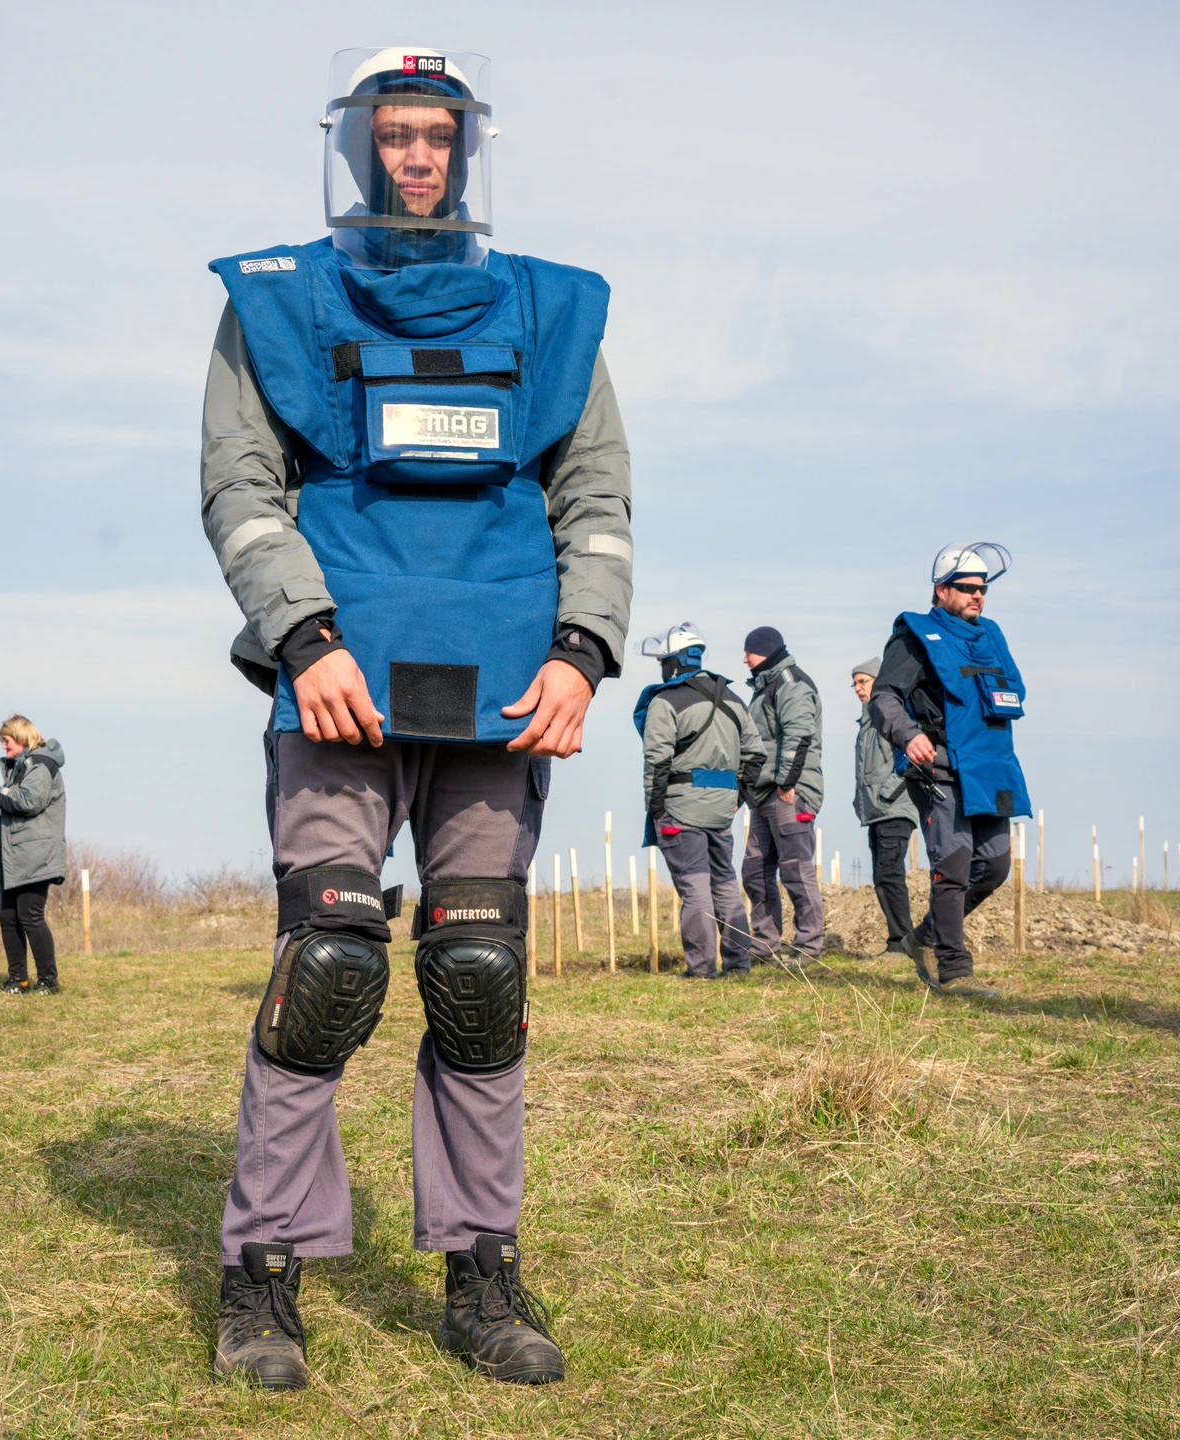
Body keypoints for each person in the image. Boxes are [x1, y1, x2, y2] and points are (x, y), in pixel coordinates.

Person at [199, 46, 631, 1391]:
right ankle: (262, 1273)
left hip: (504, 691)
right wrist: (304, 637)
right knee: (327, 968)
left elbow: (596, 499)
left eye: (439, 134)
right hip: (336, 683)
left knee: (479, 977)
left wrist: (583, 653)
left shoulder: (551, 310)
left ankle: (480, 1271)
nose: (420, 156)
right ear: (357, 147)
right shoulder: (276, 300)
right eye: (395, 133)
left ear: (468, 148)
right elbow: (239, 488)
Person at [869, 544, 1028, 999]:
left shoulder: (991, 635)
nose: (978, 596)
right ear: (942, 590)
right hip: (937, 767)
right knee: (953, 866)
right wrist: (908, 735)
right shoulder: (914, 637)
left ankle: (922, 936)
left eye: (983, 589)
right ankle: (954, 972)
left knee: (994, 867)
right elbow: (884, 697)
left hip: (991, 768)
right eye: (967, 588)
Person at [634, 623, 766, 978]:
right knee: (724, 884)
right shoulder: (733, 699)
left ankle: (701, 969)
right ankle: (738, 964)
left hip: (680, 809)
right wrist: (738, 798)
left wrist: (656, 808)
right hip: (721, 812)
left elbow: (657, 761)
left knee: (695, 888)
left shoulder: (666, 700)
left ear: (674, 660)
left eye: (663, 660)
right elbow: (756, 755)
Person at [739, 626, 825, 960]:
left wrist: (787, 783)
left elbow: (798, 735)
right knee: (755, 872)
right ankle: (765, 946)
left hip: (789, 793)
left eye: (748, 652)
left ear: (764, 650)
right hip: (764, 794)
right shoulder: (767, 686)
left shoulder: (791, 684)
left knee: (796, 871)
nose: (744, 659)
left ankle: (809, 947)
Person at [0, 715, 66, 996]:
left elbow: (27, 802)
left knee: (30, 915)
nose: (4, 746)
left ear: (22, 738)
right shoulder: (23, 766)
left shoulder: (41, 764)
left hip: (35, 855)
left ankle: (49, 982)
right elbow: (9, 803)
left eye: (6, 740)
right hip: (17, 856)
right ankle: (18, 980)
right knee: (8, 916)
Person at [852, 657, 919, 955]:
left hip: (895, 808)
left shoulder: (894, 715)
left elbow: (910, 759)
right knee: (883, 877)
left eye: (863, 682)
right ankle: (902, 942)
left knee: (889, 875)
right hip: (877, 812)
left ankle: (902, 944)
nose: (858, 688)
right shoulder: (867, 722)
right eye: (855, 684)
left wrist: (885, 795)